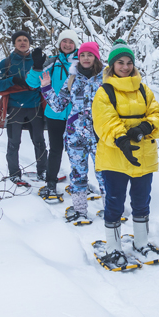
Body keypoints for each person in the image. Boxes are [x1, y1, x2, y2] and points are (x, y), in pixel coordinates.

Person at [92, 41, 159, 264]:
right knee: (115, 202)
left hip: (143, 156)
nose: (125, 67)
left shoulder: (144, 90)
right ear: (112, 65)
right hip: (115, 156)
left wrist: (146, 126)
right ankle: (113, 247)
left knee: (142, 201)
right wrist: (122, 139)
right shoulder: (105, 91)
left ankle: (142, 242)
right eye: (120, 62)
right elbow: (104, 121)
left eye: (128, 63)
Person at [40, 41, 105, 221]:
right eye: (82, 55)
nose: (85, 58)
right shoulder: (72, 78)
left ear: (96, 57)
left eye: (89, 55)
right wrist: (46, 87)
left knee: (105, 174)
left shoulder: (106, 78)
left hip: (100, 136)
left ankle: (111, 210)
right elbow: (58, 105)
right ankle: (80, 210)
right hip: (75, 135)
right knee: (77, 173)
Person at [26, 29, 79, 197]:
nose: (68, 44)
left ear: (75, 45)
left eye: (71, 42)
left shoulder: (83, 61)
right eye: (65, 41)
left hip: (76, 116)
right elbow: (32, 83)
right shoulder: (52, 62)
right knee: (56, 149)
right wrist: (36, 67)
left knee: (77, 151)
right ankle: (51, 183)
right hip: (55, 115)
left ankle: (79, 183)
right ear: (60, 43)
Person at [0, 30, 47, 186]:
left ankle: (43, 171)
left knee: (39, 141)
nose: (23, 42)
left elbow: (46, 82)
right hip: (15, 108)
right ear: (14, 43)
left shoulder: (38, 61)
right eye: (19, 40)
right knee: (13, 142)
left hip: (35, 107)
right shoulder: (6, 63)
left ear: (29, 43)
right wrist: (12, 80)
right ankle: (14, 174)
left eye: (25, 40)